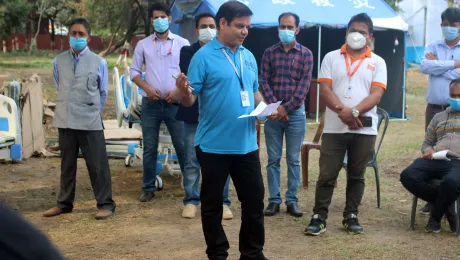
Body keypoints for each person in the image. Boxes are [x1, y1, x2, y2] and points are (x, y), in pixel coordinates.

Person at [175, 2, 275, 259]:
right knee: (212, 206)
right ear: (223, 24)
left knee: (254, 201)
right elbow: (190, 100)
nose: (245, 32)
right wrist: (184, 93)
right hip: (213, 146)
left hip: (246, 145)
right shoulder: (203, 57)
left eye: (247, 27)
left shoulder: (248, 56)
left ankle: (252, 253)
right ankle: (217, 253)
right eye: (239, 26)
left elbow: (253, 92)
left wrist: (264, 108)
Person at [304, 13, 387, 236]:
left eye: (362, 32)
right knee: (327, 174)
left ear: (370, 36)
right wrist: (344, 112)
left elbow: (377, 94)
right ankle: (319, 216)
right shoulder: (331, 57)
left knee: (357, 174)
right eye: (353, 30)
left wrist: (355, 111)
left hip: (365, 129)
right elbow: (325, 90)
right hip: (334, 127)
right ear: (345, 32)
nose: (356, 35)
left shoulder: (378, 62)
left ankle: (351, 215)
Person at [42, 18, 115, 220]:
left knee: (97, 164)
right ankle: (64, 204)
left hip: (90, 120)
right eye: (73, 33)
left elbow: (102, 93)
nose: (77, 37)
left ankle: (106, 204)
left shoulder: (98, 62)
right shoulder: (58, 61)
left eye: (81, 34)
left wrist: (92, 111)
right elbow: (61, 86)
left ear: (88, 37)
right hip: (65, 119)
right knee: (67, 165)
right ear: (68, 36)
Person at [174, 13, 233, 220]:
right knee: (191, 160)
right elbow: (192, 79)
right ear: (196, 31)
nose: (209, 29)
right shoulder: (188, 51)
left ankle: (223, 202)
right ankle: (191, 200)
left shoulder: (225, 52)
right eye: (204, 26)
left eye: (212, 25)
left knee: (221, 161)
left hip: (218, 116)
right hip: (193, 116)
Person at [130, 3, 190, 202]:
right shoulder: (143, 44)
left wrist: (178, 91)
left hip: (175, 103)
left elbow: (191, 73)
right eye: (156, 17)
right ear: (151, 21)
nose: (160, 20)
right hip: (151, 104)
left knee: (181, 145)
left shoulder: (182, 43)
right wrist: (147, 88)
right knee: (149, 146)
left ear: (170, 19)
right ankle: (148, 187)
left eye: (163, 16)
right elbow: (134, 73)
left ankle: (191, 187)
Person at [260, 12, 313, 218]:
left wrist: (285, 108)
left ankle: (292, 201)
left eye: (290, 27)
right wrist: (275, 107)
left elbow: (304, 87)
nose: (286, 31)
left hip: (296, 114)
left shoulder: (306, 54)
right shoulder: (269, 53)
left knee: (293, 159)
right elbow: (263, 80)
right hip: (273, 113)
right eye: (282, 27)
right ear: (277, 28)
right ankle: (274, 201)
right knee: (273, 159)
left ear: (297, 30)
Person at [400, 79, 460, 234]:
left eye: (459, 95)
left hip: (458, 162)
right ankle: (446, 207)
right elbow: (426, 143)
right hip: (436, 159)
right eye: (453, 95)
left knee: (451, 182)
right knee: (408, 175)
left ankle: (435, 218)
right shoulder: (439, 117)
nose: (456, 99)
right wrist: (428, 150)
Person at [419, 7, 460, 215]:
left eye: (453, 25)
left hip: (458, 110)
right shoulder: (434, 45)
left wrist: (438, 65)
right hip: (435, 109)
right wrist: (453, 64)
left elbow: (433, 67)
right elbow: (424, 67)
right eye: (445, 24)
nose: (449, 28)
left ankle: (452, 195)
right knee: (432, 151)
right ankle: (433, 198)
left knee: (456, 154)